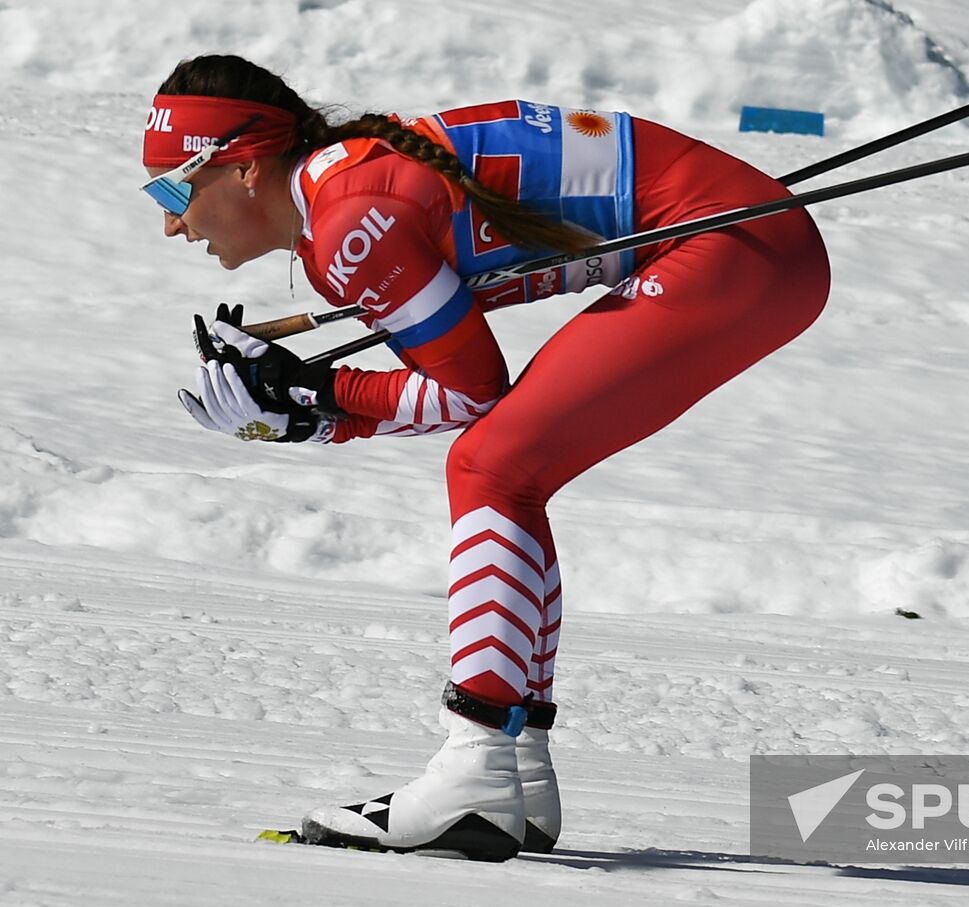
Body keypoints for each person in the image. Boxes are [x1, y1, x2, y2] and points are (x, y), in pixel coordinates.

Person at [142, 54, 830, 861]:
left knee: (491, 466)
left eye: (172, 191)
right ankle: (515, 769)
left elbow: (469, 392)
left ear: (246, 168)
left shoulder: (349, 223)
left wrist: (316, 403)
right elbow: (460, 392)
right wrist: (318, 405)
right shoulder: (342, 197)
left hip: (735, 247)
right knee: (507, 467)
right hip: (747, 239)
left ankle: (476, 764)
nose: (171, 224)